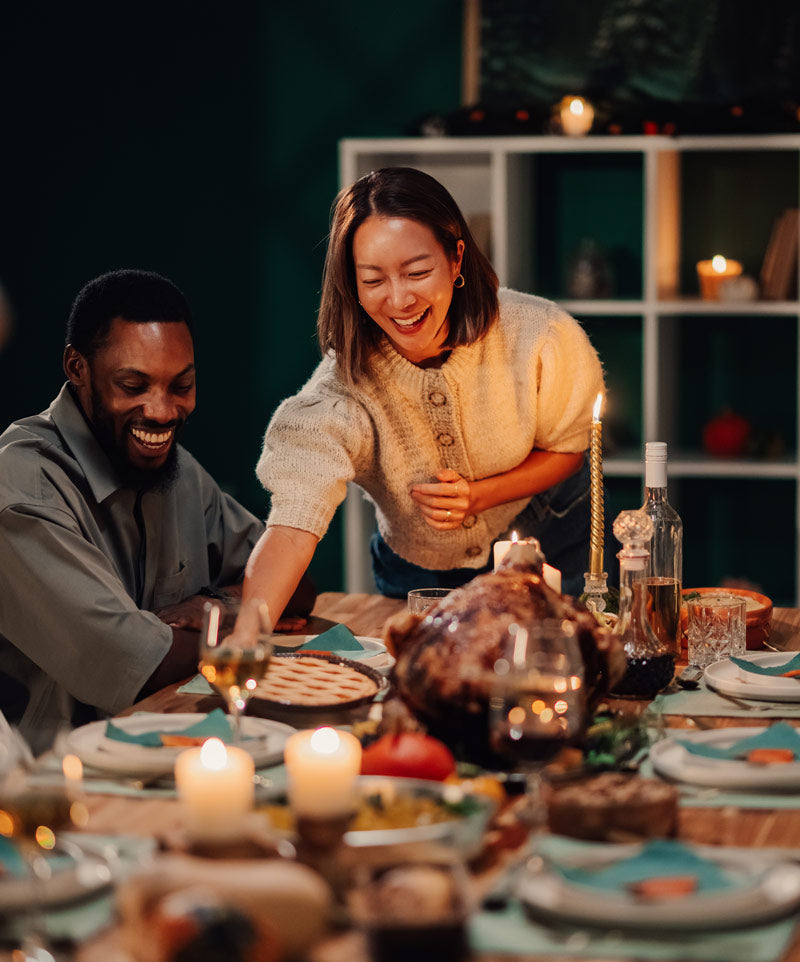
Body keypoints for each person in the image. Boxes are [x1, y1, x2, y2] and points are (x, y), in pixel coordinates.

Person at [243, 165, 615, 621]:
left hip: (550, 539)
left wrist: (479, 495)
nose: (399, 301)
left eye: (417, 271)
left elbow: (569, 450)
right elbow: (293, 524)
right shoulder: (341, 393)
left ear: (456, 259)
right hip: (419, 571)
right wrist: (246, 634)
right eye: (374, 280)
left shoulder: (541, 335)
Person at [0, 269, 314, 754]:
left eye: (181, 385)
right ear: (77, 368)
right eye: (133, 385)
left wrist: (215, 606)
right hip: (61, 782)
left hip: (181, 741)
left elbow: (296, 583)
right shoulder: (21, 487)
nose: (163, 411)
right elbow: (137, 662)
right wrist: (247, 613)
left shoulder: (176, 469)